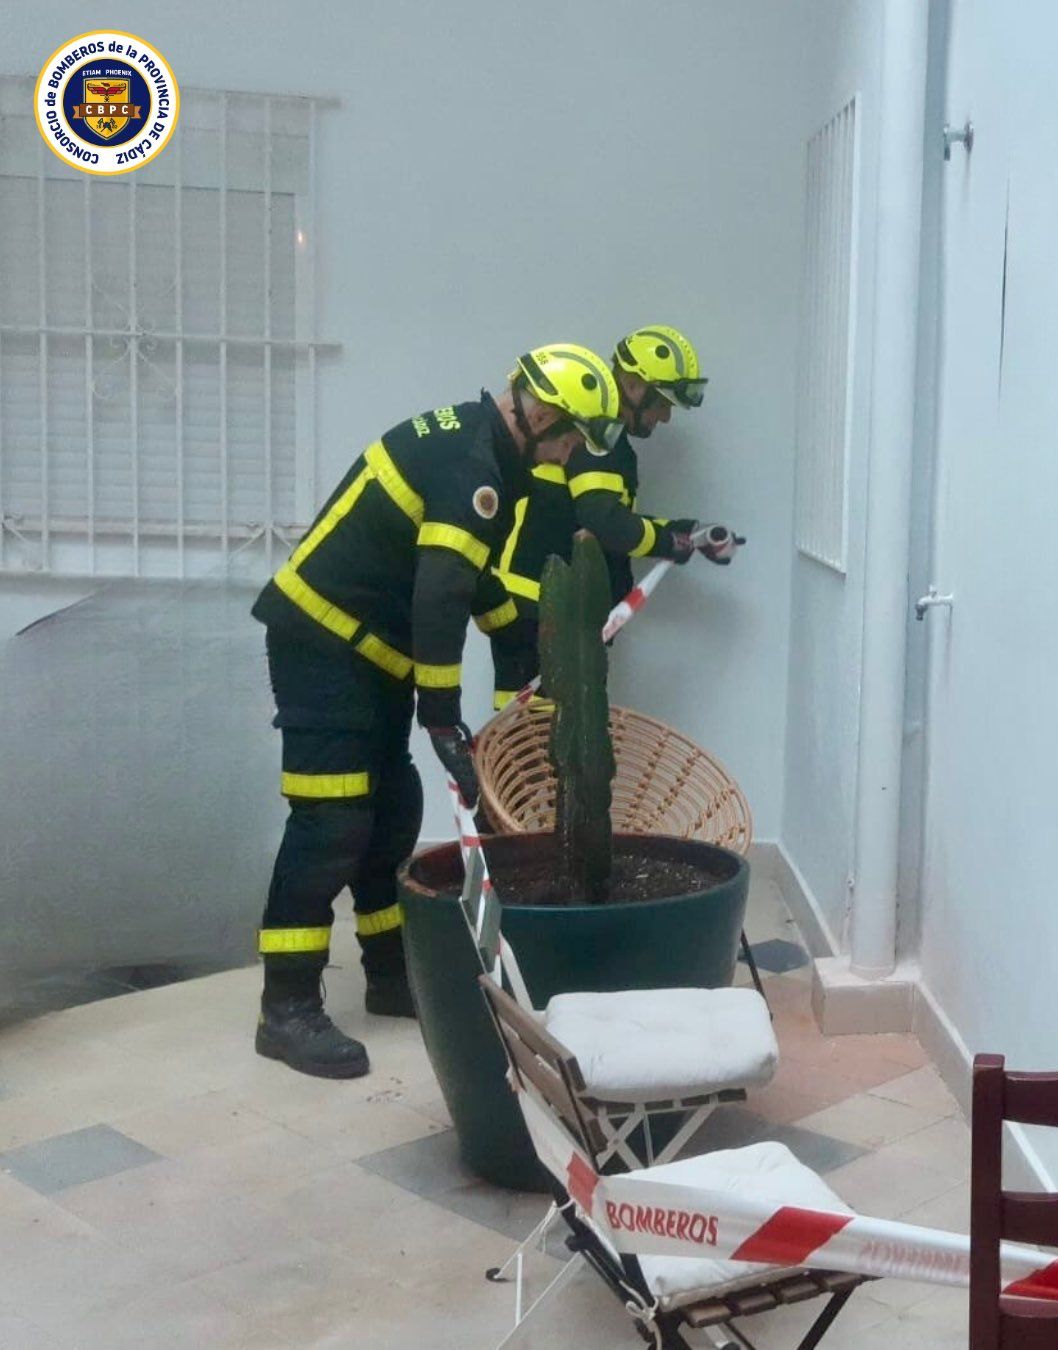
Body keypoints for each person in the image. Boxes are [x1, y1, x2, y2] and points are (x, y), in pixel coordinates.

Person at [250, 344, 623, 1078]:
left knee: (391, 810)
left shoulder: (488, 454)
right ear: (544, 412)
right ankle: (286, 1007)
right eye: (573, 435)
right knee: (332, 823)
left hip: (366, 655)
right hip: (323, 647)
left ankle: (389, 975)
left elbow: (468, 576)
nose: (573, 452)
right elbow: (440, 597)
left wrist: (524, 638)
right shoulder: (474, 468)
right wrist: (443, 715)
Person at [483, 325, 733, 709]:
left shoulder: (593, 429)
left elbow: (600, 515)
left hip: (534, 607)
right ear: (633, 385)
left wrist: (684, 532)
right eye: (661, 402)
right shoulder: (600, 437)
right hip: (544, 611)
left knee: (524, 733)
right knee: (533, 741)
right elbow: (603, 519)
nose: (664, 416)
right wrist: (669, 541)